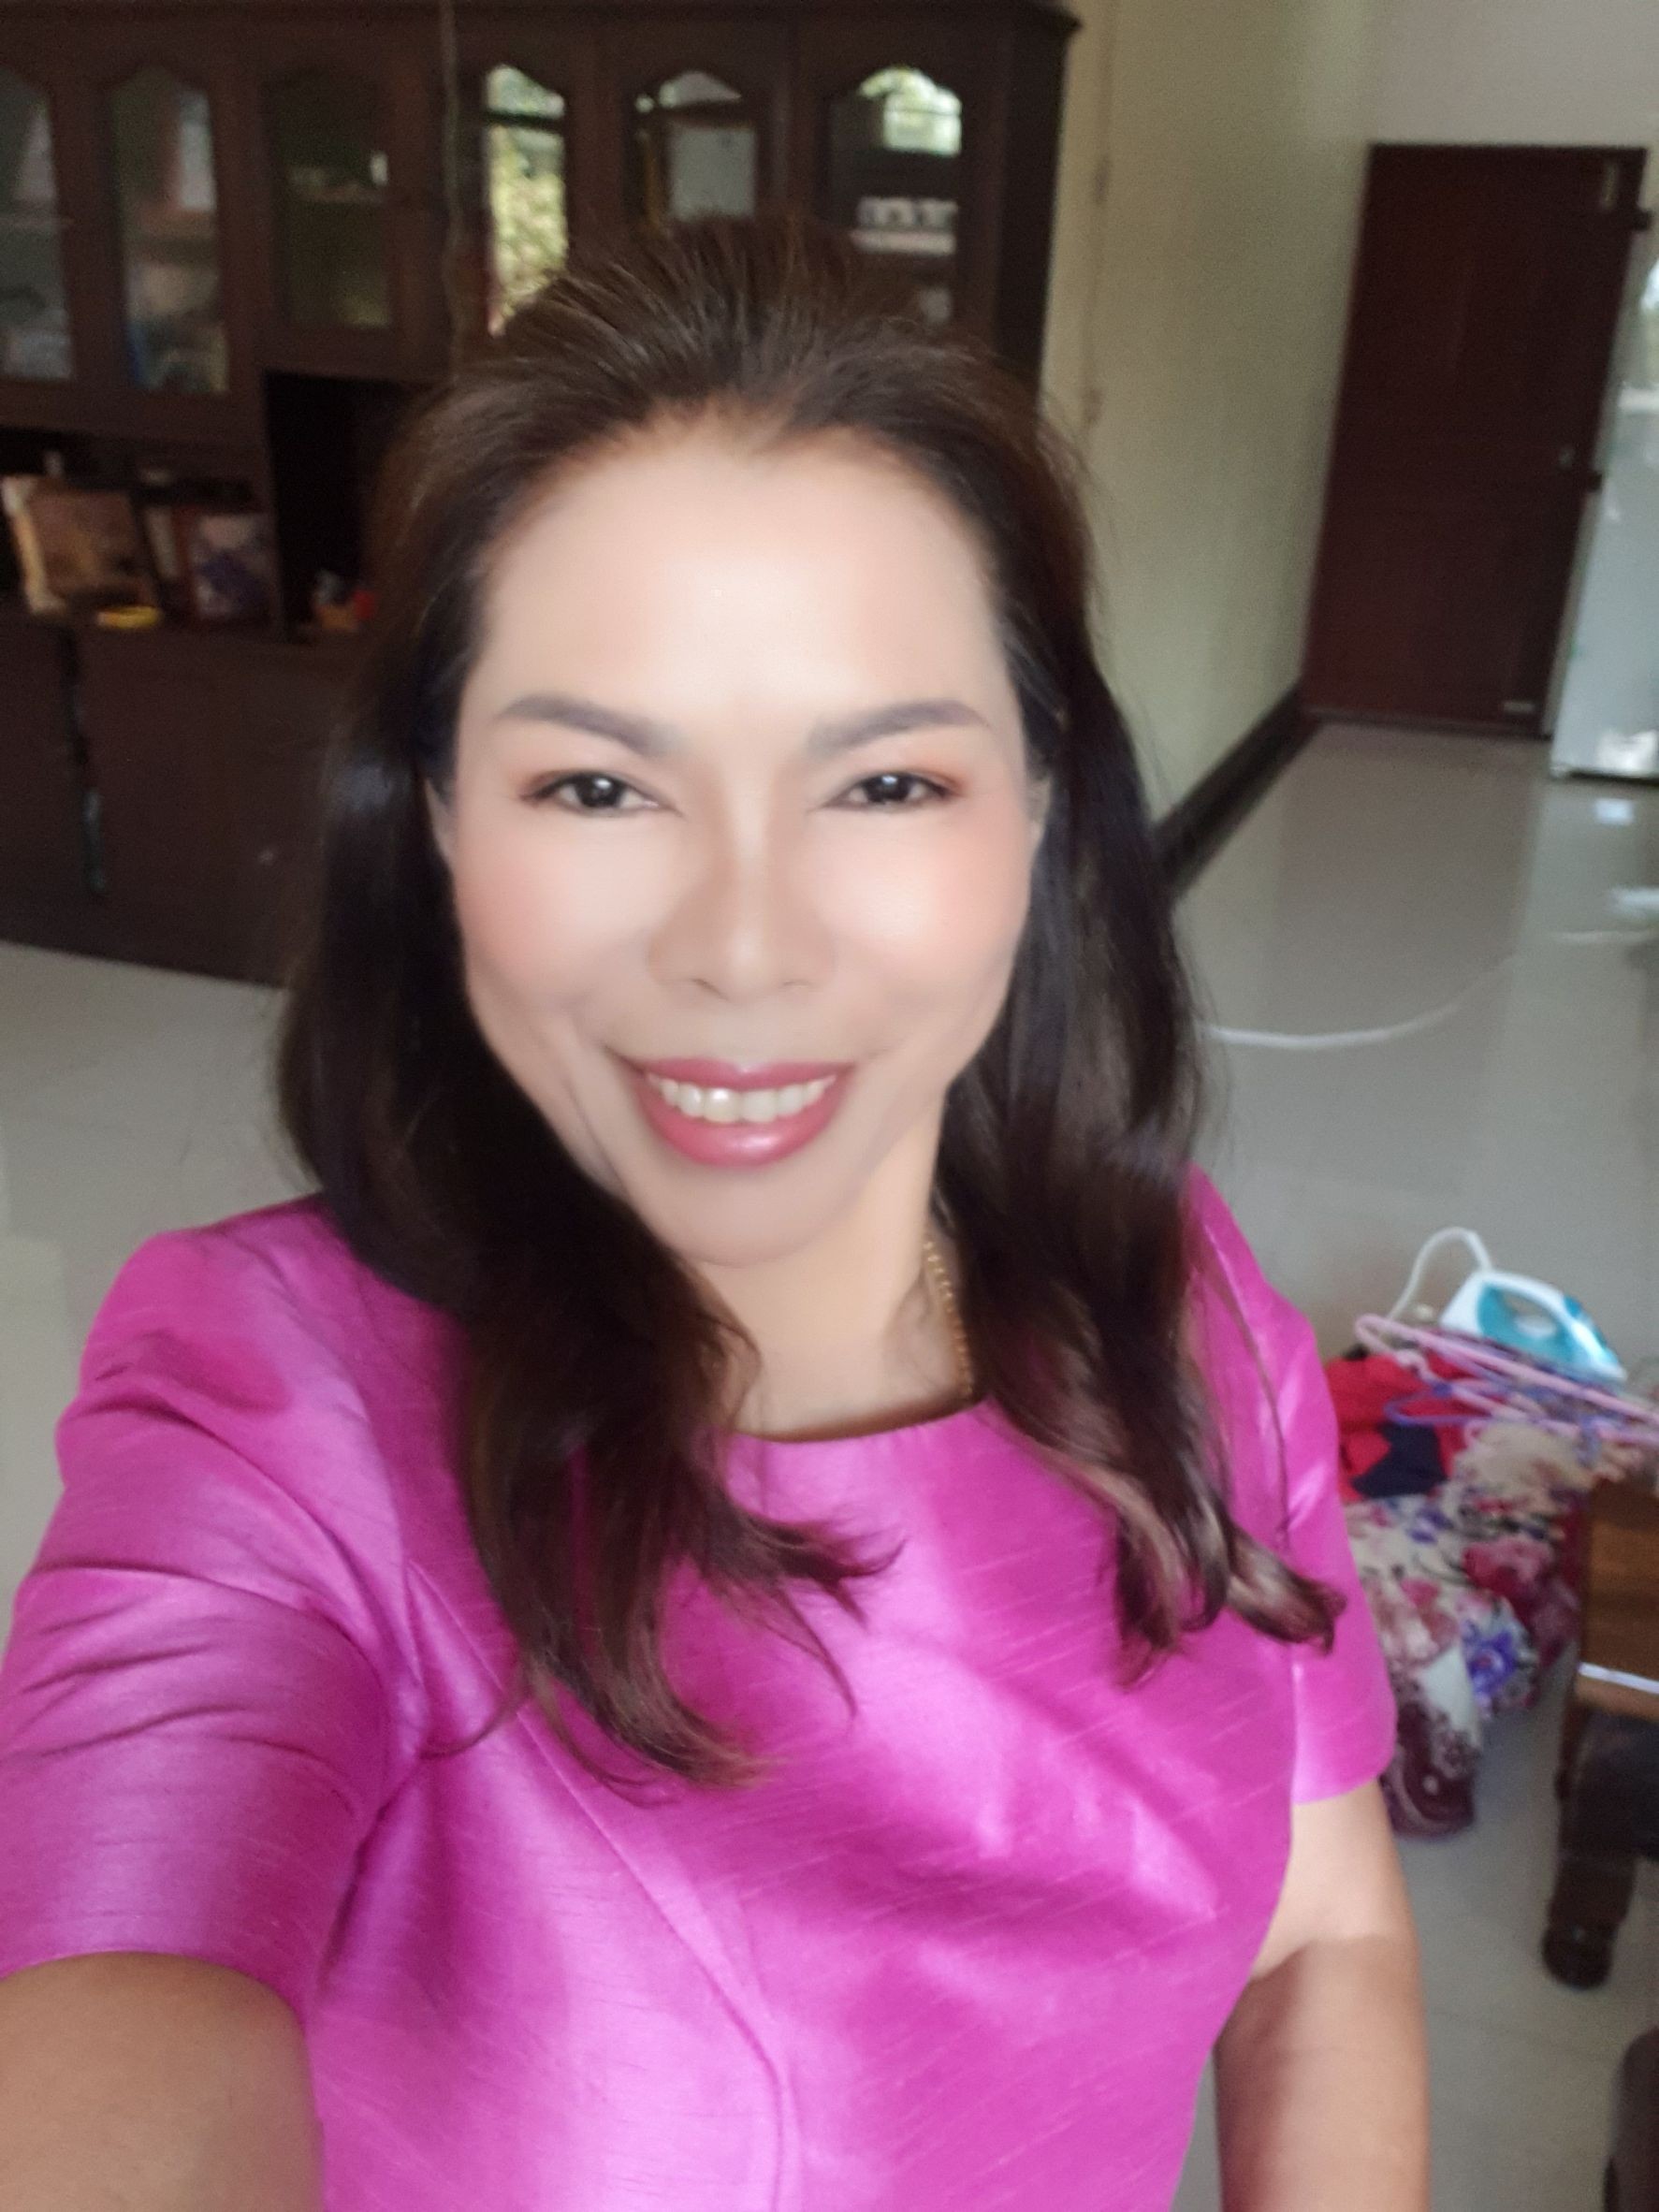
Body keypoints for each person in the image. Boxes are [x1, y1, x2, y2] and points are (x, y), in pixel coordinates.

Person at [0, 215, 1426, 2210]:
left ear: (1038, 810)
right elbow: (114, 1998)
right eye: (596, 788)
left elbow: (1323, 1934)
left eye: (885, 784)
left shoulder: (1174, 1301)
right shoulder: (271, 1402)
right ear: (436, 819)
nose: (742, 947)